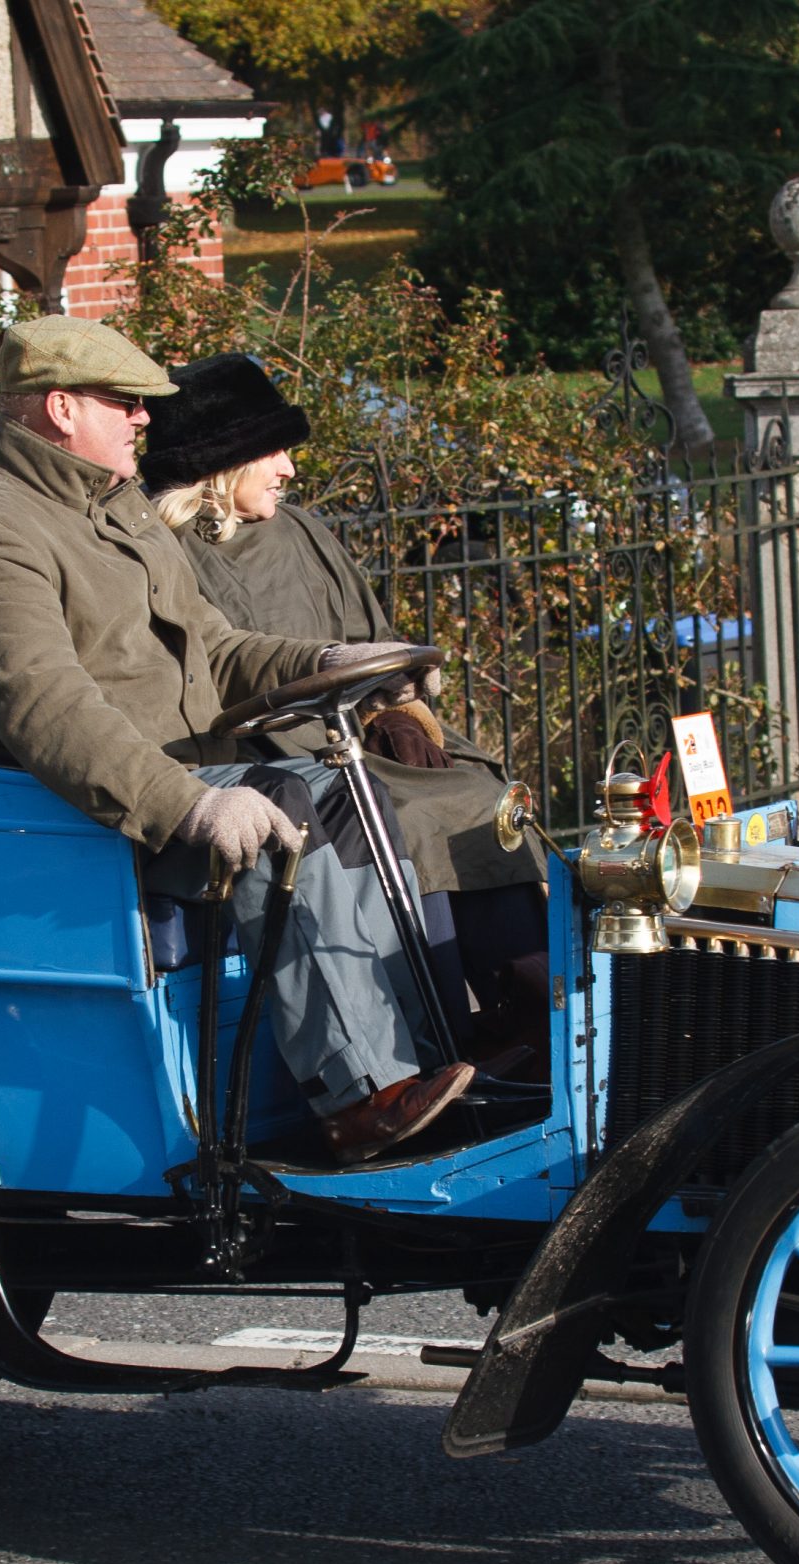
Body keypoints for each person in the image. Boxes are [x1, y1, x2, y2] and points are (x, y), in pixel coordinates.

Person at [0, 316, 476, 1163]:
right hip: (75, 824)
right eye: (127, 402)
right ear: (61, 408)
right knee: (285, 797)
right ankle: (361, 1098)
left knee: (343, 789)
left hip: (171, 791)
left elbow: (220, 647)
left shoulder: (120, 510)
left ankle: (423, 1066)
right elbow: (51, 713)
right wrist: (192, 804)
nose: (145, 419)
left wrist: (335, 658)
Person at [141, 353, 549, 1063]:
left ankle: (536, 1008)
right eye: (271, 451)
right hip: (271, 755)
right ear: (220, 460)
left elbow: (367, 640)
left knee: (481, 793)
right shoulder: (167, 553)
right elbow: (213, 679)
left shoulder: (302, 532)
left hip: (356, 733)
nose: (288, 469)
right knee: (414, 815)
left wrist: (398, 707)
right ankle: (439, 1043)